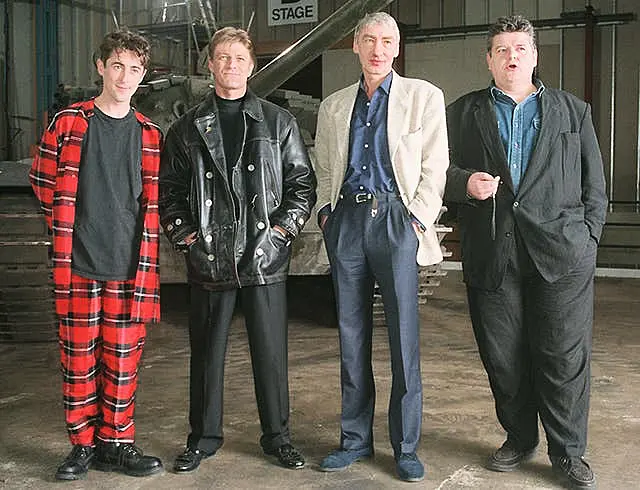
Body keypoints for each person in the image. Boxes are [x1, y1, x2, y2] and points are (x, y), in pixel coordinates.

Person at [444, 15, 607, 490]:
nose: (511, 56)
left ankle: (568, 452)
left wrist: (588, 240)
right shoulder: (462, 112)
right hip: (493, 253)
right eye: (501, 49)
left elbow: (594, 186)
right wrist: (463, 184)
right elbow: (436, 171)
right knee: (503, 357)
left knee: (562, 357)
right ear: (489, 59)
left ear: (534, 56)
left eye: (520, 48)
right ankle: (519, 437)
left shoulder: (572, 112)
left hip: (562, 255)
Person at [159, 27, 316, 473]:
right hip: (210, 253)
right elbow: (168, 191)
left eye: (239, 59)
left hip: (264, 254)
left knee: (270, 354)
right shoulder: (186, 127)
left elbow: (302, 184)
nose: (231, 65)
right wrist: (188, 239)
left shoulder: (278, 121)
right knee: (206, 354)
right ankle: (203, 438)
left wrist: (280, 235)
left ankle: (278, 438)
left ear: (251, 66)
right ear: (210, 64)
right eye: (222, 58)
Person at [314, 12, 449, 483]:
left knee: (402, 340)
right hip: (346, 220)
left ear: (397, 47)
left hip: (395, 220)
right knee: (351, 336)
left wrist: (415, 221)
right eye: (369, 40)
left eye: (387, 41)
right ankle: (354, 439)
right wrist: (326, 216)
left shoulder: (423, 97)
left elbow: (436, 164)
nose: (378, 49)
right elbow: (324, 166)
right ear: (355, 45)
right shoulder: (333, 106)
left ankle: (405, 446)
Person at [29, 30, 164, 481]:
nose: (125, 76)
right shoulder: (68, 122)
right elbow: (44, 180)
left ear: (143, 76)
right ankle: (81, 446)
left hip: (131, 267)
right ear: (101, 67)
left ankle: (116, 443)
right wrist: (70, 226)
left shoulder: (150, 135)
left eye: (135, 69)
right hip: (79, 264)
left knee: (123, 363)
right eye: (118, 65)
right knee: (79, 359)